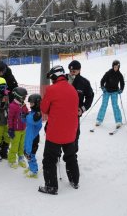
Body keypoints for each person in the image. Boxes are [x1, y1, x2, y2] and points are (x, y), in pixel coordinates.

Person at [39, 65, 79, 195]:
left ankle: (51, 186)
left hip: (55, 132)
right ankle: (74, 180)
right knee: (70, 156)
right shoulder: (72, 89)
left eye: (51, 78)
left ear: (55, 76)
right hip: (71, 131)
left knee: (50, 159)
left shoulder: (51, 90)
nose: (51, 80)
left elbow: (44, 109)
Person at [67, 60, 94, 153]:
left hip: (75, 113)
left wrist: (82, 109)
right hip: (62, 112)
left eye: (74, 71)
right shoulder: (64, 80)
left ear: (79, 70)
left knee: (75, 133)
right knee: (61, 133)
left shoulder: (84, 82)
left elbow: (90, 97)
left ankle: (73, 154)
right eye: (70, 71)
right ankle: (57, 154)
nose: (72, 73)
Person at [95, 60, 125, 128]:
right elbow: (102, 80)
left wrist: (121, 89)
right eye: (115, 67)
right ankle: (99, 120)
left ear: (119, 67)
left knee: (115, 106)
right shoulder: (108, 73)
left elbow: (122, 82)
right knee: (104, 105)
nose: (116, 68)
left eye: (117, 67)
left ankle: (118, 121)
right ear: (113, 66)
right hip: (107, 91)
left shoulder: (119, 74)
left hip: (115, 92)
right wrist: (103, 87)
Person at [7, 87, 29, 169]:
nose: (25, 98)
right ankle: (12, 160)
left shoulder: (23, 105)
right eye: (24, 97)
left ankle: (21, 159)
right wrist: (10, 129)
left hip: (23, 129)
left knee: (21, 145)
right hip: (15, 130)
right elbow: (10, 119)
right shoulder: (13, 106)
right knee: (15, 146)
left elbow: (26, 113)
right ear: (18, 96)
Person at [23, 94, 42, 178]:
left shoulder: (38, 114)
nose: (30, 105)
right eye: (30, 103)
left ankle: (34, 171)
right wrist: (23, 116)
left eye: (32, 103)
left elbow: (32, 121)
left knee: (30, 154)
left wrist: (26, 116)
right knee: (27, 153)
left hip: (33, 138)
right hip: (29, 136)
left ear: (37, 104)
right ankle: (31, 167)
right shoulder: (32, 113)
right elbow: (26, 120)